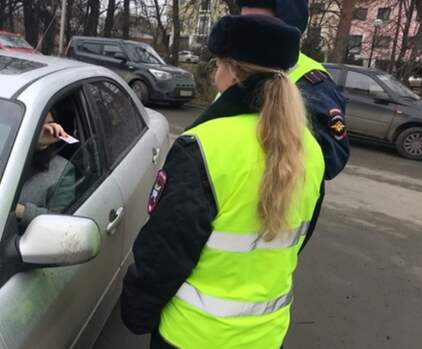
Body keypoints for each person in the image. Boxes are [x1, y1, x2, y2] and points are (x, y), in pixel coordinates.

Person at [121, 15, 324, 349]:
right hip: (265, 337)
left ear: (230, 71)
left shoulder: (202, 146)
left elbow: (164, 253)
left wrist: (137, 313)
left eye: (217, 67)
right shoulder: (310, 149)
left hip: (192, 336)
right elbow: (298, 240)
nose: (215, 78)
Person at [199, 0, 349, 251]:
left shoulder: (312, 80)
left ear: (288, 25)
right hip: (214, 200)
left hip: (268, 219)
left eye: (257, 21)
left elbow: (332, 157)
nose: (247, 29)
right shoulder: (232, 65)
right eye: (243, 19)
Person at [14, 110, 76, 229]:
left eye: (50, 123)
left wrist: (20, 211)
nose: (47, 129)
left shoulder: (62, 170)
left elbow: (62, 223)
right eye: (38, 124)